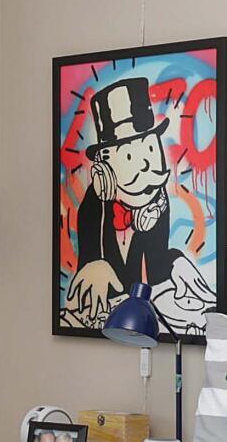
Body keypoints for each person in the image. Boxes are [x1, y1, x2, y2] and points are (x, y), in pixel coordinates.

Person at [64, 76, 213, 333]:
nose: (146, 166)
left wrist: (176, 262)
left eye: (150, 150)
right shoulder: (94, 205)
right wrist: (95, 266)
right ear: (104, 170)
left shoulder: (157, 202)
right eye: (131, 155)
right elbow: (91, 274)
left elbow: (156, 270)